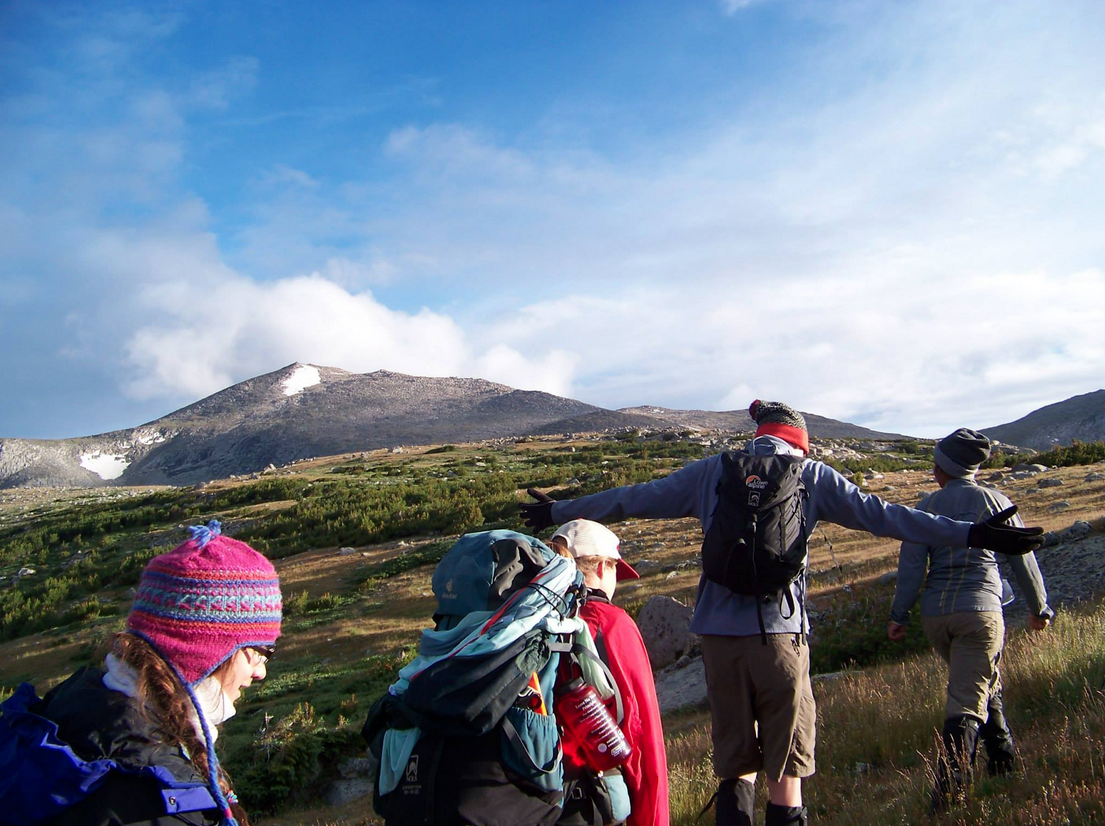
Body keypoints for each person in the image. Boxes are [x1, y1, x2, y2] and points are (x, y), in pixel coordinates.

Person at [522, 401, 1045, 826]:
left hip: (718, 640)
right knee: (786, 768)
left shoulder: (714, 472)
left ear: (758, 437)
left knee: (735, 766)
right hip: (780, 637)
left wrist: (558, 511)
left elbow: (634, 498)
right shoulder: (811, 475)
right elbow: (889, 518)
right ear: (800, 443)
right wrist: (972, 534)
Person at [10, 520, 282, 826]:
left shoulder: (66, 710)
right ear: (203, 652)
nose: (260, 672)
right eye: (260, 652)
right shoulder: (158, 802)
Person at [887, 428, 1052, 809]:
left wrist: (899, 616)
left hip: (936, 617)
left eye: (936, 463)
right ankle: (949, 795)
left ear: (944, 468)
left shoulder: (925, 507)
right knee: (967, 695)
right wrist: (1039, 608)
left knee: (977, 680)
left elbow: (911, 568)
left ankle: (1002, 761)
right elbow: (1023, 561)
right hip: (980, 612)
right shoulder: (996, 502)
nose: (933, 469)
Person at [547, 519, 669, 826]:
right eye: (616, 570)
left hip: (533, 798)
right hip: (591, 800)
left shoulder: (534, 619)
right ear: (603, 567)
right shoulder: (611, 623)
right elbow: (641, 730)